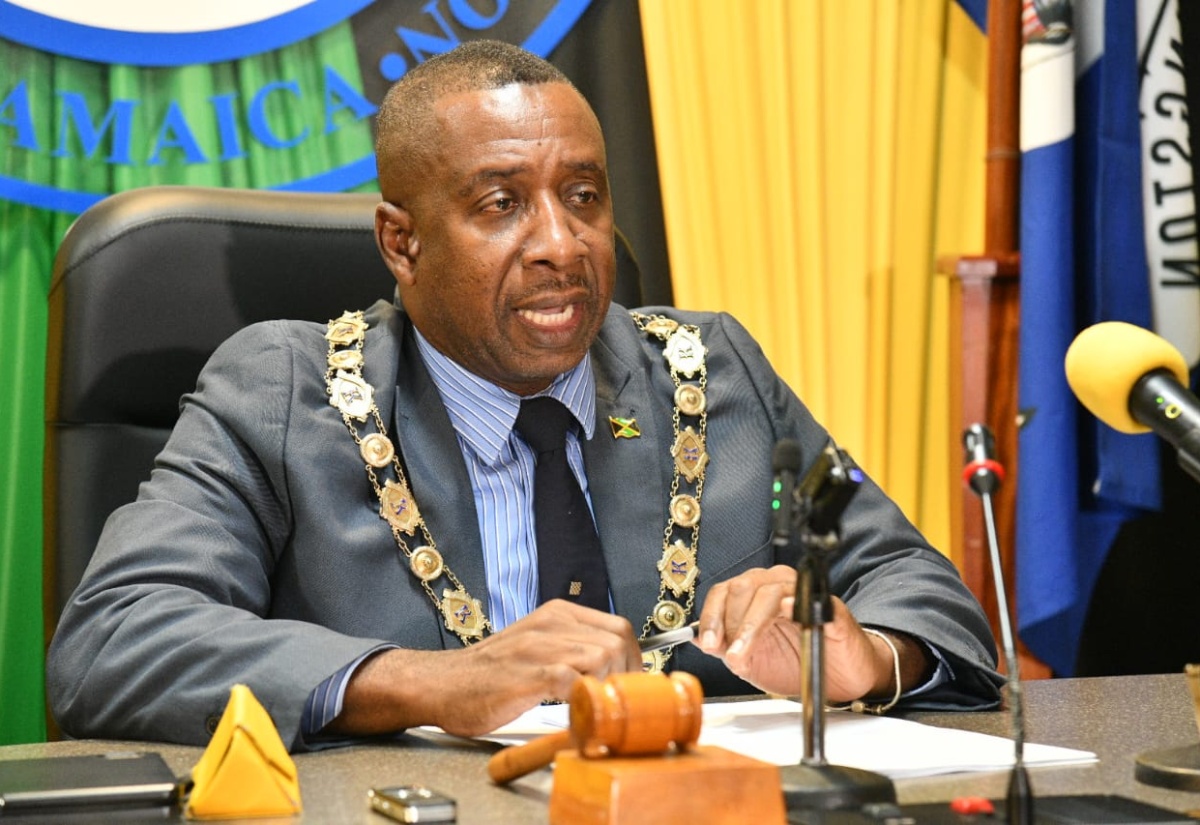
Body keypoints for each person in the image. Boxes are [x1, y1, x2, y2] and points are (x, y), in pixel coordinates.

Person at [47, 40, 1002, 752]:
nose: (560, 242)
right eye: (501, 204)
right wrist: (427, 682)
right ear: (401, 242)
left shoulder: (708, 367)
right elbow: (113, 640)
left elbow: (930, 599)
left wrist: (870, 655)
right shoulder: (288, 390)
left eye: (583, 195)